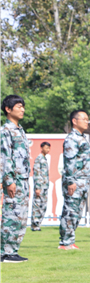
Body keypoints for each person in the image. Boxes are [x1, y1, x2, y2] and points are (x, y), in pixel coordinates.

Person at [58, 110, 90, 250]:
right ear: (74, 121)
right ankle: (65, 242)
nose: (87, 121)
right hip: (75, 181)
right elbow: (69, 161)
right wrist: (71, 181)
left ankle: (70, 240)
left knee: (77, 212)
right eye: (84, 119)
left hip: (83, 182)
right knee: (70, 211)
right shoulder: (72, 138)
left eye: (88, 119)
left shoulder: (82, 138)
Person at [1, 95, 31, 263]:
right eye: (19, 106)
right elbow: (5, 157)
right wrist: (9, 180)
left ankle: (13, 249)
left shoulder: (19, 130)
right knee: (11, 214)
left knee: (20, 215)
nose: (22, 109)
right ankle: (5, 252)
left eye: (23, 106)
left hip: (23, 179)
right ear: (8, 109)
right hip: (14, 180)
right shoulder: (5, 131)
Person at [31, 141, 51, 231]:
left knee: (43, 205)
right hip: (40, 186)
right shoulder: (39, 158)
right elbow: (37, 173)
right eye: (46, 148)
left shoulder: (44, 158)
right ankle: (34, 225)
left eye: (49, 148)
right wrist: (38, 187)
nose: (48, 150)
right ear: (42, 148)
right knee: (37, 205)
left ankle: (38, 223)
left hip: (45, 186)